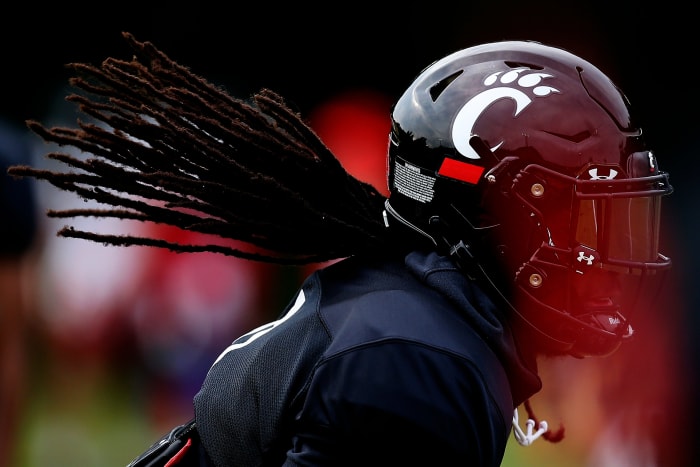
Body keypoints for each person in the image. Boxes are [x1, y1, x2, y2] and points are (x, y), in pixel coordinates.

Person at [8, 33, 674, 466]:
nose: (599, 255)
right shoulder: (416, 364)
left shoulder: (415, 319)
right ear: (491, 213)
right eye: (571, 215)